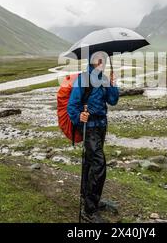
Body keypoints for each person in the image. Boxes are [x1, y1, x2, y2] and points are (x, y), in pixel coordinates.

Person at [67, 51, 119, 223]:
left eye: (103, 59)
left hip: (101, 126)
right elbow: (72, 106)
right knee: (98, 164)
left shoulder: (104, 79)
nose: (102, 62)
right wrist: (79, 116)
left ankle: (88, 198)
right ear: (92, 61)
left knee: (90, 163)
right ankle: (89, 210)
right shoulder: (83, 79)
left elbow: (113, 100)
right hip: (88, 128)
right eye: (99, 59)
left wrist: (113, 84)